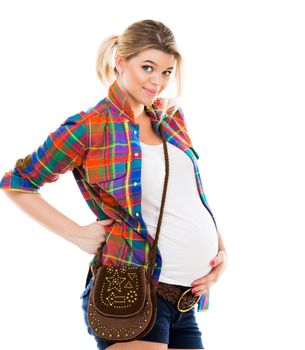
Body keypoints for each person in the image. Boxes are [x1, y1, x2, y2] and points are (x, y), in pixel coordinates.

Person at [0, 19, 227, 350]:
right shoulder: (90, 126)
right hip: (129, 290)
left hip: (184, 298)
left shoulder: (170, 117)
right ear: (121, 62)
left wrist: (219, 250)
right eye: (147, 67)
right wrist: (76, 233)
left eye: (166, 72)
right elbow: (16, 182)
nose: (157, 81)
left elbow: (187, 195)